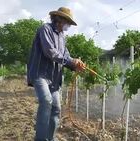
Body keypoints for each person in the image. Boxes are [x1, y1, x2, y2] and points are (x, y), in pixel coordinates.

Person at [27, 7, 85, 141]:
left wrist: (75, 64)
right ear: (59, 19)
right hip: (40, 74)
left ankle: (50, 138)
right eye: (68, 22)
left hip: (54, 78)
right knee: (46, 101)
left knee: (56, 108)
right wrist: (71, 61)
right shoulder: (45, 29)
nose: (68, 25)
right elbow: (50, 52)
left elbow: (66, 56)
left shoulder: (62, 37)